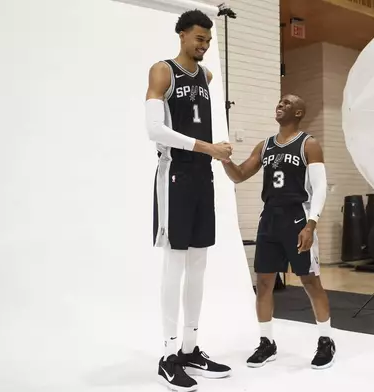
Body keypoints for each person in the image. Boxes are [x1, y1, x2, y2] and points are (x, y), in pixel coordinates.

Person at [144, 9, 233, 391]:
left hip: (203, 176)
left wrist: (218, 151)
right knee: (175, 263)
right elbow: (153, 129)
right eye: (199, 38)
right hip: (176, 174)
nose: (204, 46)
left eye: (208, 41)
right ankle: (167, 356)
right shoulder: (163, 71)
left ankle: (190, 348)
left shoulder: (206, 76)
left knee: (199, 263)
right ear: (181, 35)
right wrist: (206, 147)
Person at [220, 94, 336, 370]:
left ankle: (326, 340)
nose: (280, 104)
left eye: (287, 103)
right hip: (269, 219)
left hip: (297, 219)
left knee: (310, 282)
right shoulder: (265, 146)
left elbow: (320, 187)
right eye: (280, 102)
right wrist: (224, 160)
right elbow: (239, 175)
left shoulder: (309, 144)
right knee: (263, 283)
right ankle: (266, 342)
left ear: (298, 113)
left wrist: (312, 223)